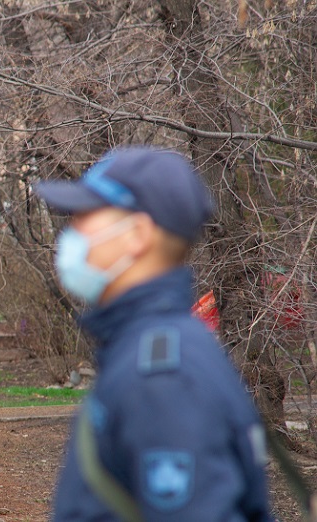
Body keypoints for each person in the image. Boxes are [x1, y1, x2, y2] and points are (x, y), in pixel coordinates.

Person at [34, 147, 271, 520]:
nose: (72, 232)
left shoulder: (164, 376)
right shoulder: (152, 348)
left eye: (86, 217)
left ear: (137, 235)